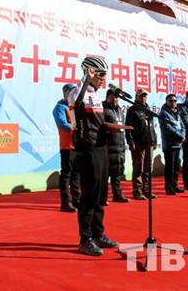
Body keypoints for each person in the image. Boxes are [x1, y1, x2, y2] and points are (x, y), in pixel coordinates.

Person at [68, 56, 118, 256]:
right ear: (91, 72)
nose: (104, 79)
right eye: (101, 75)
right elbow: (76, 101)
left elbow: (97, 124)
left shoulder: (96, 95)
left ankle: (98, 233)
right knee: (89, 195)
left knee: (100, 195)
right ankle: (85, 239)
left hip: (101, 147)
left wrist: (113, 127)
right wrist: (86, 78)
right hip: (86, 149)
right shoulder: (77, 92)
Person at [52, 83, 81, 212]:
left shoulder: (74, 107)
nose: (72, 95)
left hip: (77, 145)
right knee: (66, 174)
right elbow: (63, 124)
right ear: (65, 93)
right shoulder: (60, 107)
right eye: (70, 92)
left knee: (76, 174)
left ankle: (77, 200)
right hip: (67, 145)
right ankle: (65, 202)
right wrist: (76, 127)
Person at [125, 88, 158, 200]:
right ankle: (137, 191)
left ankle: (147, 190)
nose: (143, 98)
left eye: (145, 96)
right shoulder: (132, 110)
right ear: (136, 97)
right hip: (138, 143)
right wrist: (130, 142)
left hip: (149, 142)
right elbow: (128, 128)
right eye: (141, 96)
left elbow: (152, 126)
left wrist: (154, 140)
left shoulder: (148, 109)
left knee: (148, 168)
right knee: (138, 168)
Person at [102, 90, 130, 204]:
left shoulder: (119, 110)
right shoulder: (103, 109)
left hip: (119, 147)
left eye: (116, 98)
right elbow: (101, 127)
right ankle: (102, 198)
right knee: (104, 176)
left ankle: (117, 195)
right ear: (107, 97)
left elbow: (122, 128)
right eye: (112, 97)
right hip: (107, 148)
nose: (114, 99)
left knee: (117, 174)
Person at [159, 94, 185, 195]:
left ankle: (175, 185)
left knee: (176, 167)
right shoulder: (163, 113)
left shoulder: (177, 113)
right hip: (169, 144)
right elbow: (167, 128)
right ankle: (168, 188)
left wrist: (182, 135)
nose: (173, 102)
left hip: (178, 144)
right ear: (166, 102)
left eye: (175, 101)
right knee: (170, 168)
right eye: (170, 101)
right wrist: (180, 136)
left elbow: (182, 126)